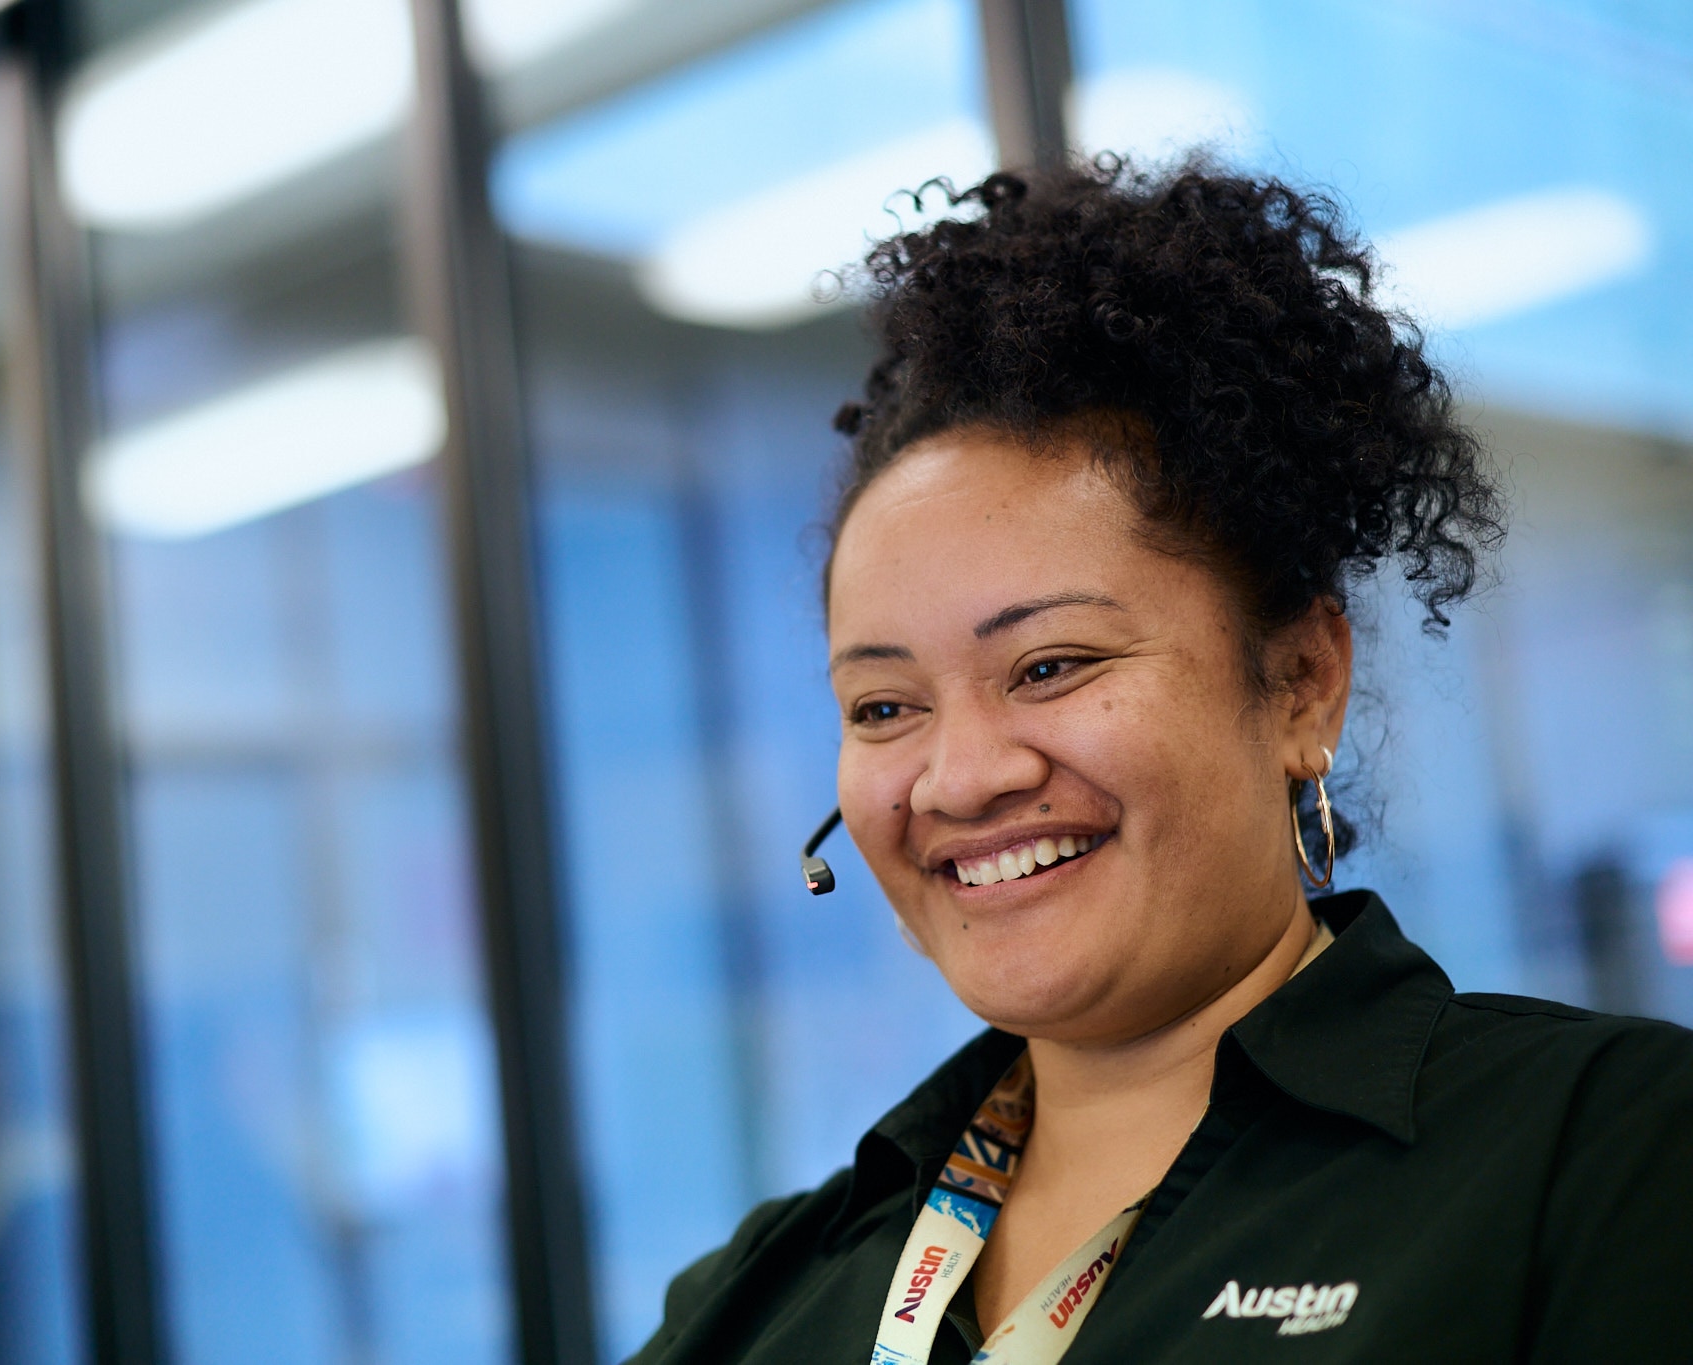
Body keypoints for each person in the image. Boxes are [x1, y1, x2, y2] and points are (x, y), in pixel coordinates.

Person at [626, 161, 1693, 1364]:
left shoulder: (1602, 1154)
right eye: (882, 705)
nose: (959, 779)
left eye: (1048, 666)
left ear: (1299, 681)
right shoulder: (753, 1296)